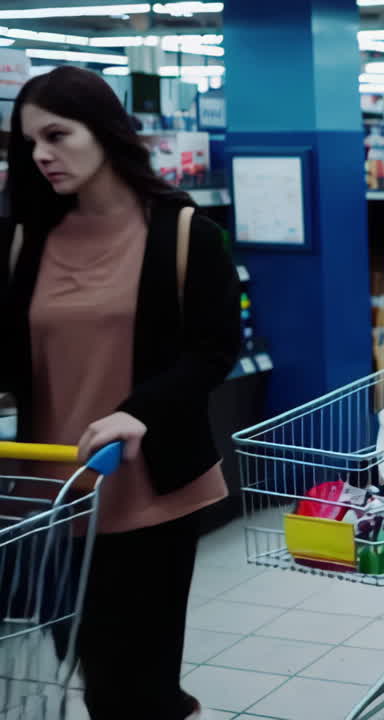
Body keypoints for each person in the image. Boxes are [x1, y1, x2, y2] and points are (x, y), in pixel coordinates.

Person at [0, 66, 240, 719]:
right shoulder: (25, 239)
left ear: (103, 130)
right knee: (84, 662)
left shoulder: (186, 234)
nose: (41, 154)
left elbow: (214, 352)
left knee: (127, 678)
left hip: (146, 489)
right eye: (28, 143)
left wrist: (138, 414)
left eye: (57, 134)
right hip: (46, 493)